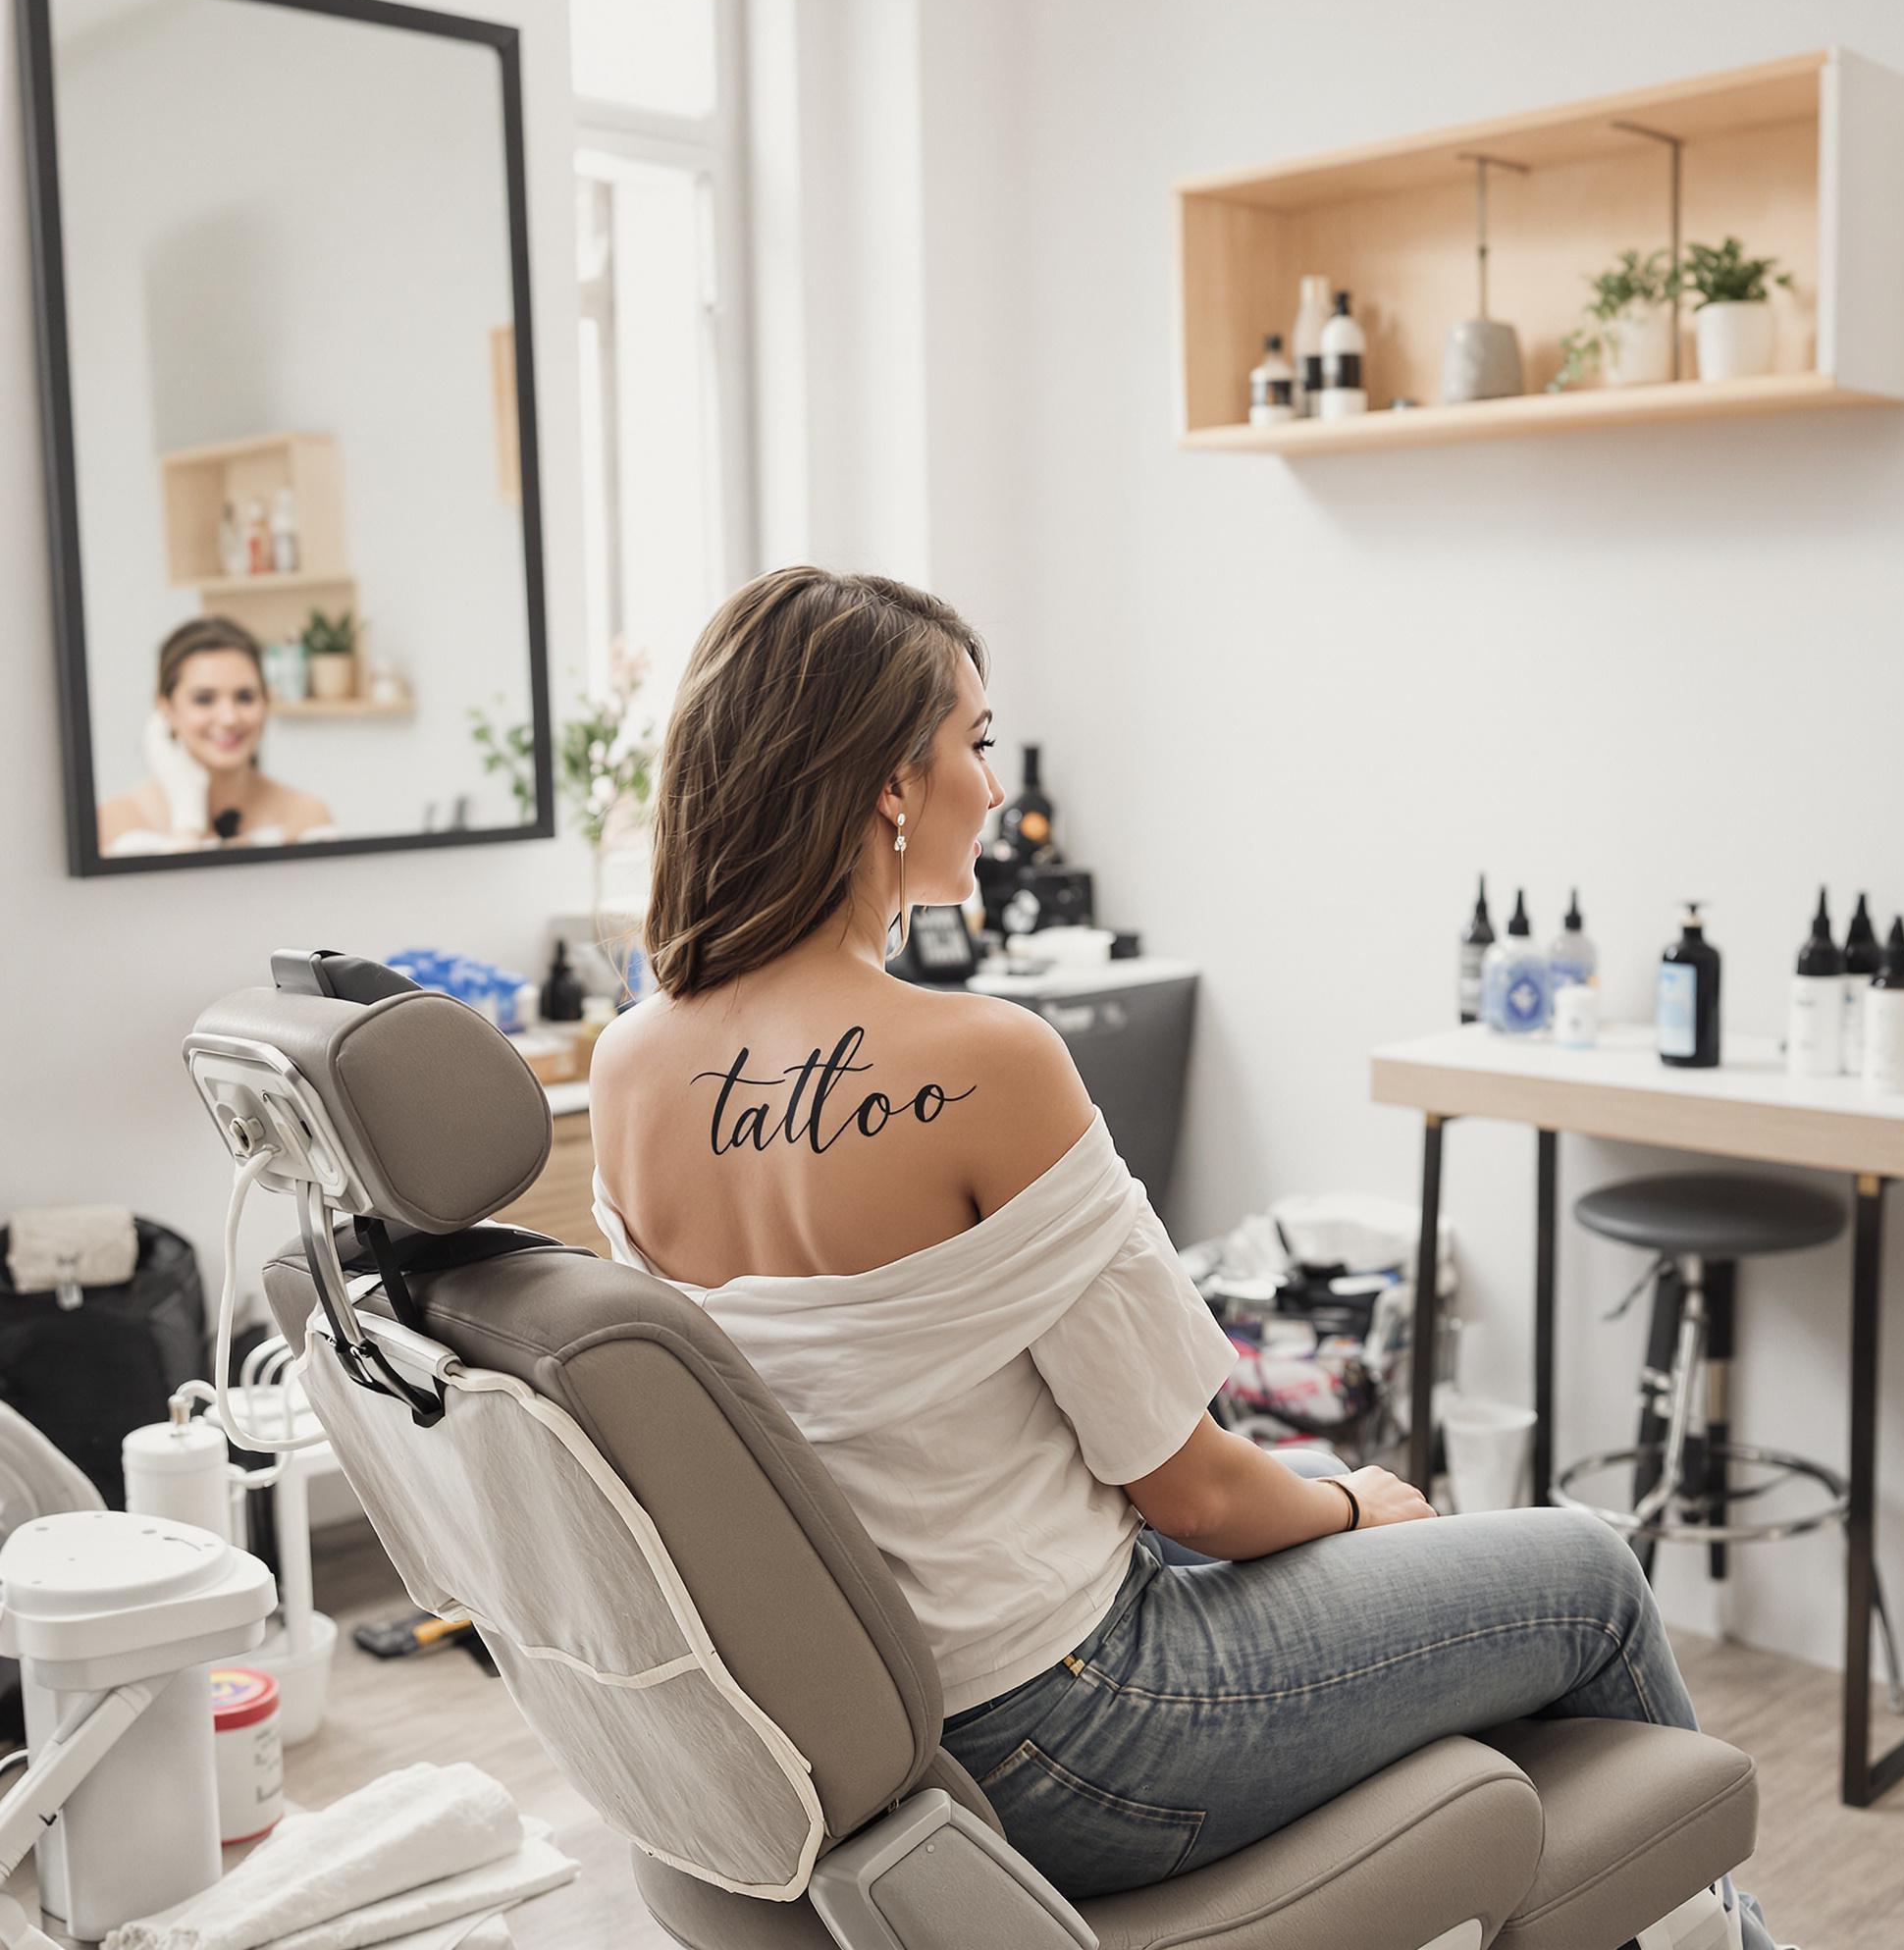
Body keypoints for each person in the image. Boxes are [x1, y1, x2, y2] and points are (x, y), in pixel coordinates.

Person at [586, 565, 1782, 1948]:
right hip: (1078, 1735)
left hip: (877, 1718)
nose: (994, 781)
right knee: (1585, 1568)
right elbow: (1196, 1493)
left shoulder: (630, 1067)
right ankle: (1729, 1932)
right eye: (975, 741)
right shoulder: (984, 1059)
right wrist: (1355, 1505)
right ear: (889, 786)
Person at [96, 616, 337, 857]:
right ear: (166, 709)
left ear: (266, 702)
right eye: (204, 699)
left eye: (244, 697)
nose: (229, 718)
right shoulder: (114, 823)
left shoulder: (306, 816)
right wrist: (188, 817)